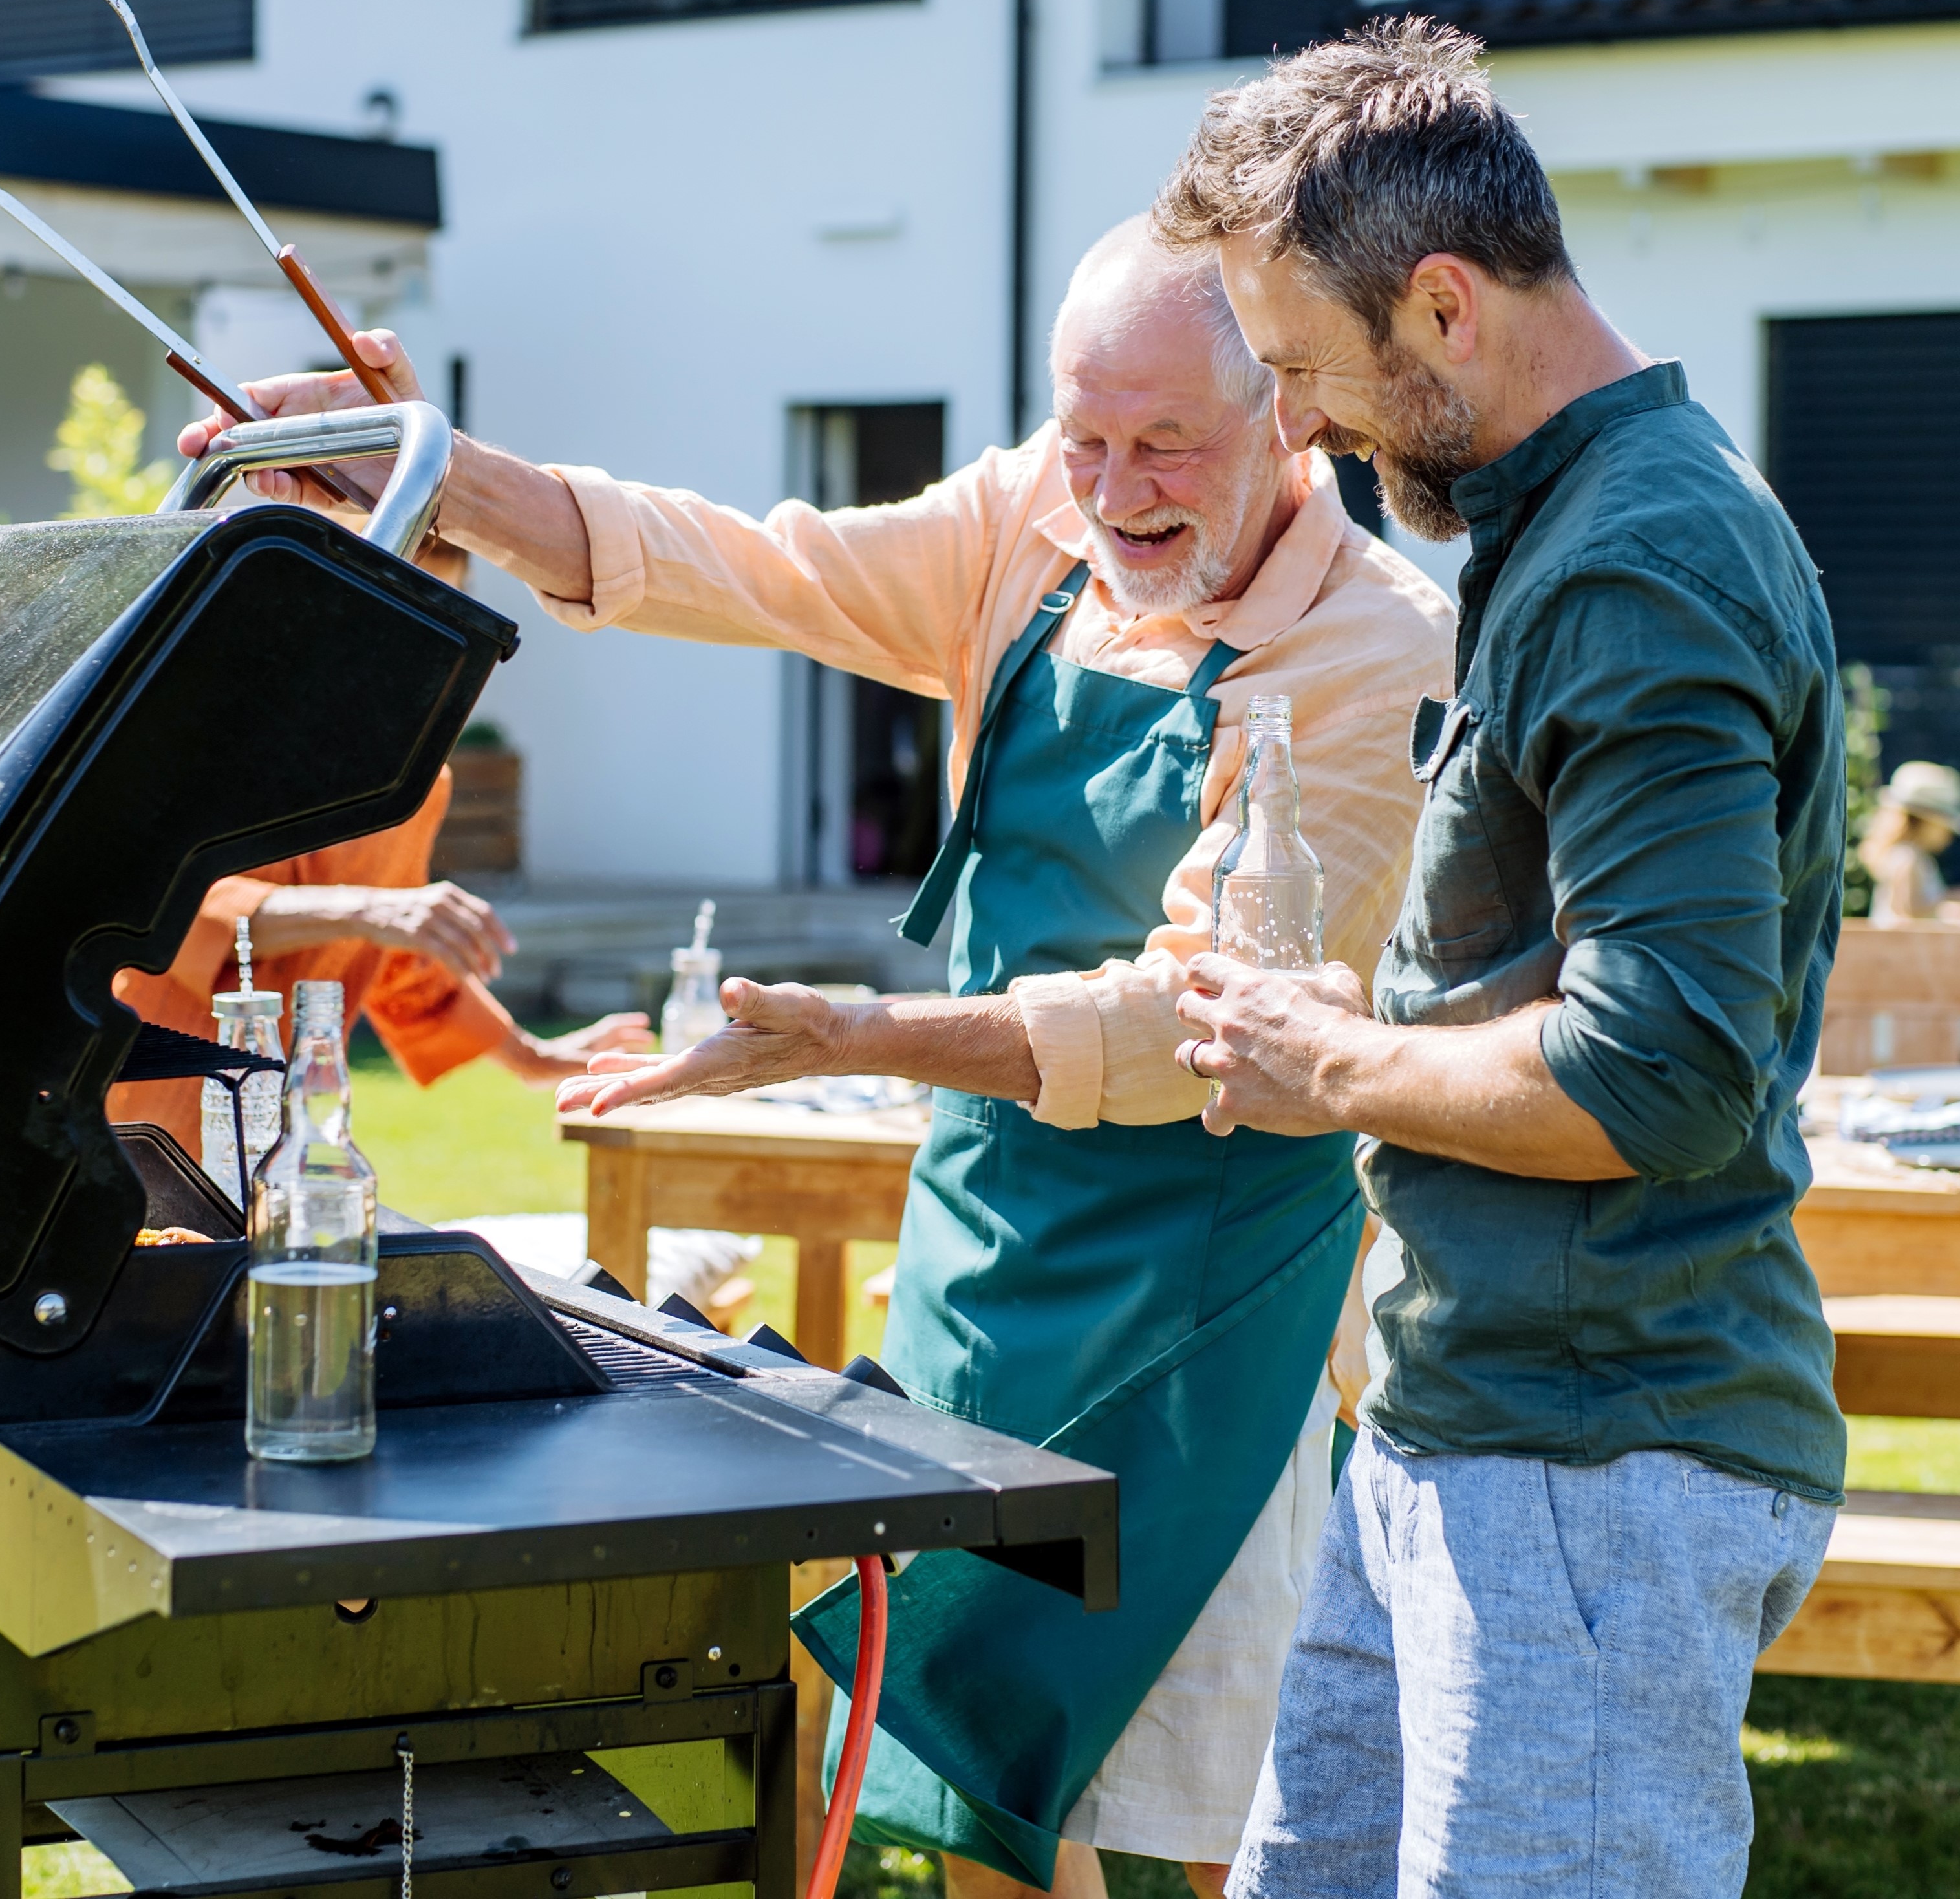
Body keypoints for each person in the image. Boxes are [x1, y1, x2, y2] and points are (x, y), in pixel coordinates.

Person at [180, 219, 1454, 1899]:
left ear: (1290, 412)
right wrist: (428, 467)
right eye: (1081, 433)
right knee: (970, 1790)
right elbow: (746, 561)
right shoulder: (1031, 519)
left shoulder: (1373, 648)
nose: (1112, 485)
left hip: (1205, 1300)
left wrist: (855, 1034)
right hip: (985, 1245)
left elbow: (1187, 1023)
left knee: (1171, 1817)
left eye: (1163, 443)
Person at [1155, 17, 1845, 1898]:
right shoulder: (1563, 535)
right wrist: (1346, 1018)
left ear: (1441, 305)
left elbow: (1656, 1075)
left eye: (1299, 366)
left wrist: (1330, 1068)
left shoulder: (1635, 562)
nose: (1290, 423)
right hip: (1469, 1422)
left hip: (1596, 1451)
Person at [109, 541, 647, 1152]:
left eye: (444, 614)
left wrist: (530, 1056)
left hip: (294, 1121)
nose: (422, 639)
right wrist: (371, 910)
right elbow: (173, 908)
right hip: (155, 1098)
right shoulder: (232, 727)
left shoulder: (418, 778)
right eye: (400, 604)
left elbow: (397, 952)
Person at [1858, 759, 1960, 922]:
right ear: (1925, 822)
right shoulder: (1907, 858)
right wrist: (1947, 902)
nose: (1948, 834)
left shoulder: (1916, 858)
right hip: (1898, 947)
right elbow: (1906, 913)